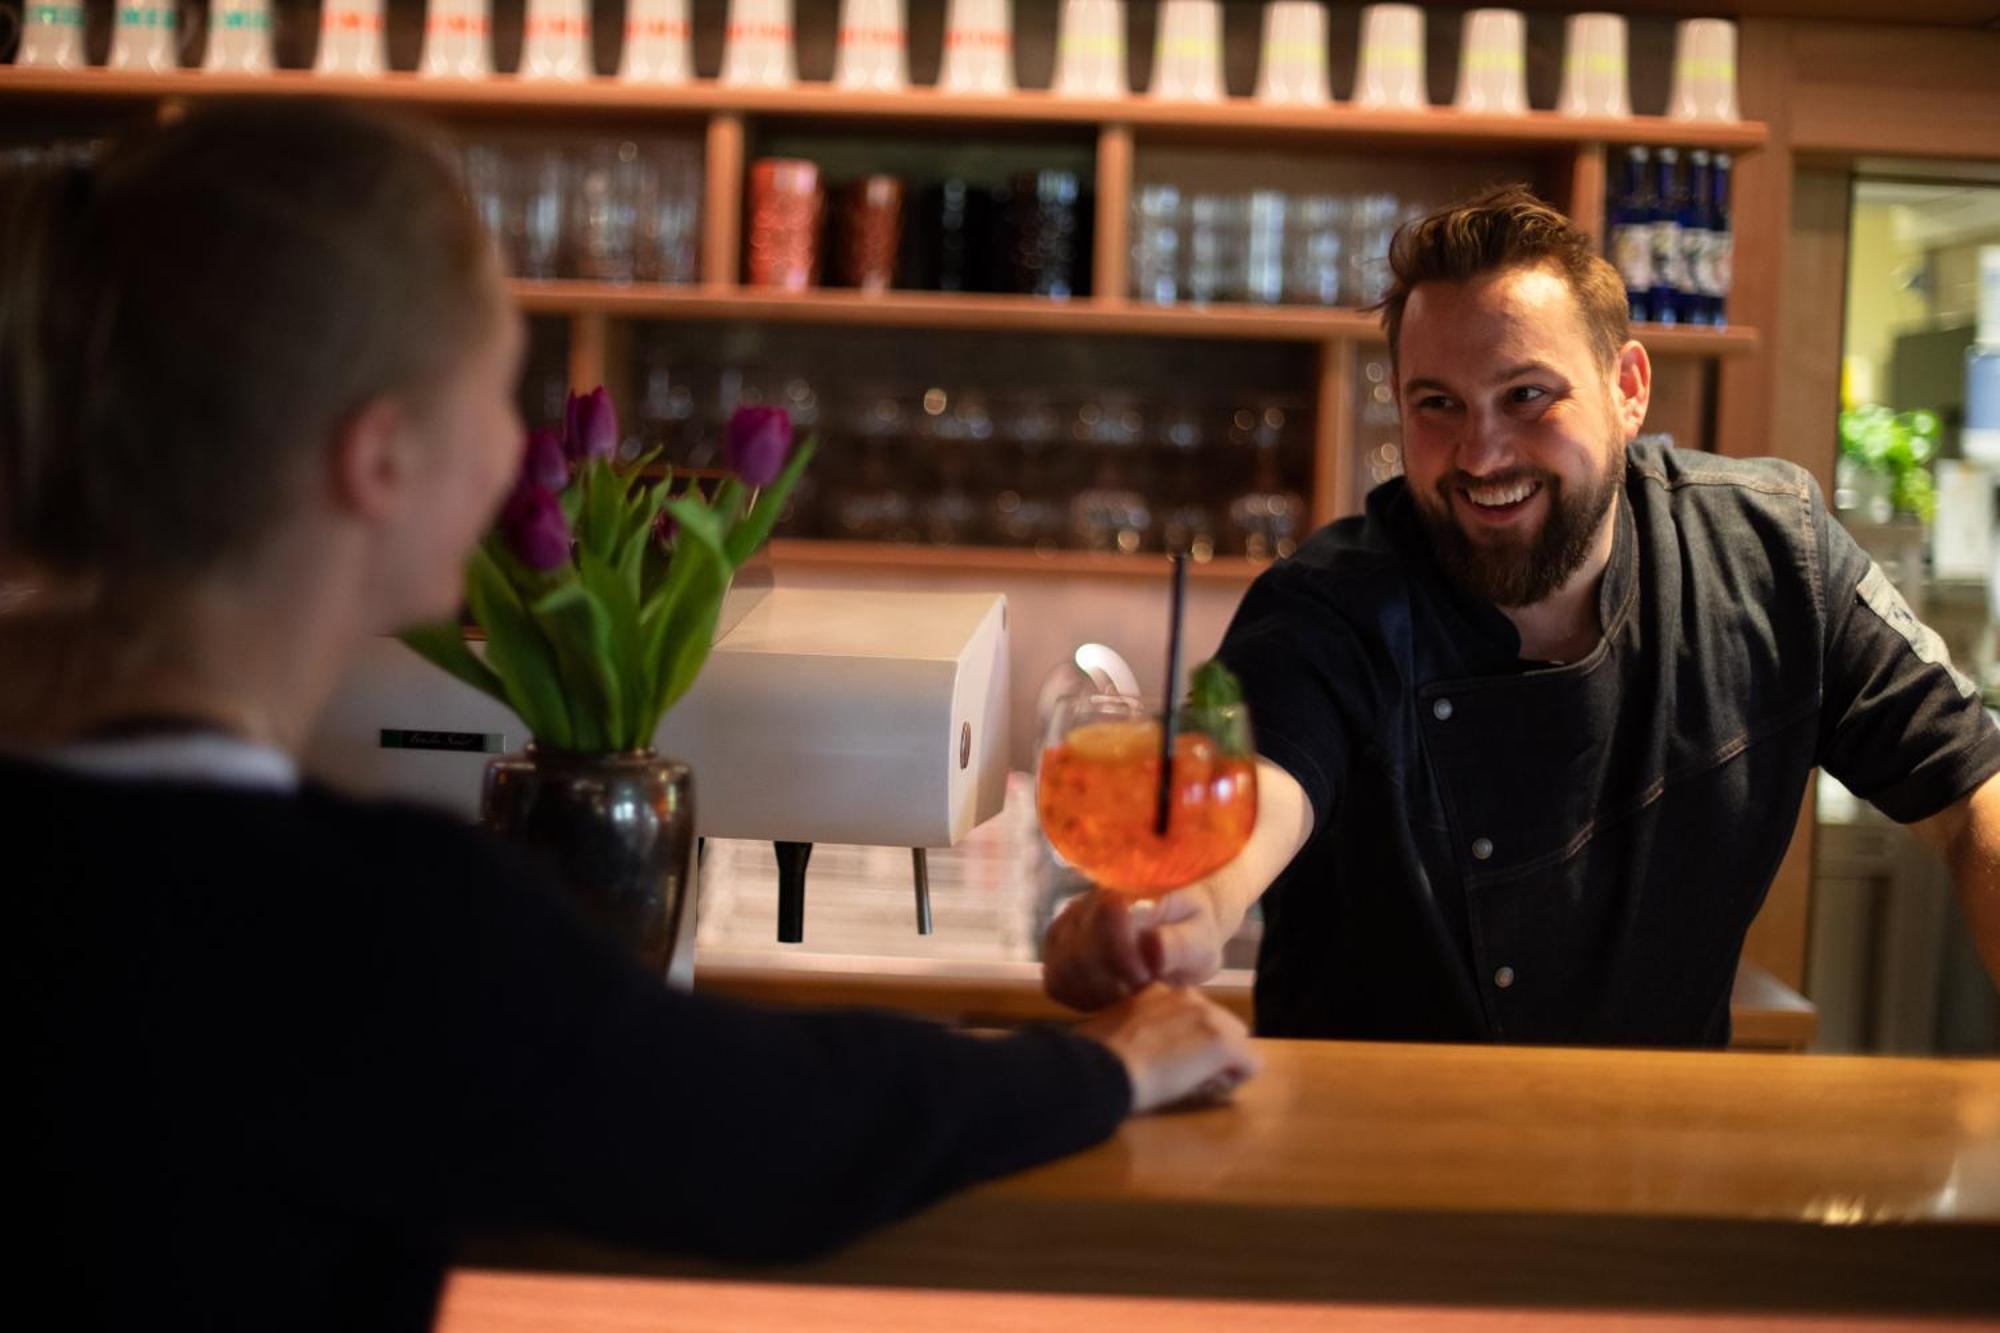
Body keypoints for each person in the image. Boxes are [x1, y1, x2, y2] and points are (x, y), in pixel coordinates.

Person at [1, 103, 1258, 1331]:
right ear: (375, 459)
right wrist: (1103, 1065)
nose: (516, 452)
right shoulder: (358, 934)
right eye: (499, 393)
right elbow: (776, 1133)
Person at [1045, 186, 2000, 1047]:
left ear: (1628, 388)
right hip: (1363, 1177)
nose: (1481, 451)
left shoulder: (1769, 557)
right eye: (1437, 405)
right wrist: (1182, 911)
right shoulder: (1330, 607)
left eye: (1527, 394)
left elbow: (1972, 794)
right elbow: (1258, 798)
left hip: (1654, 1169)